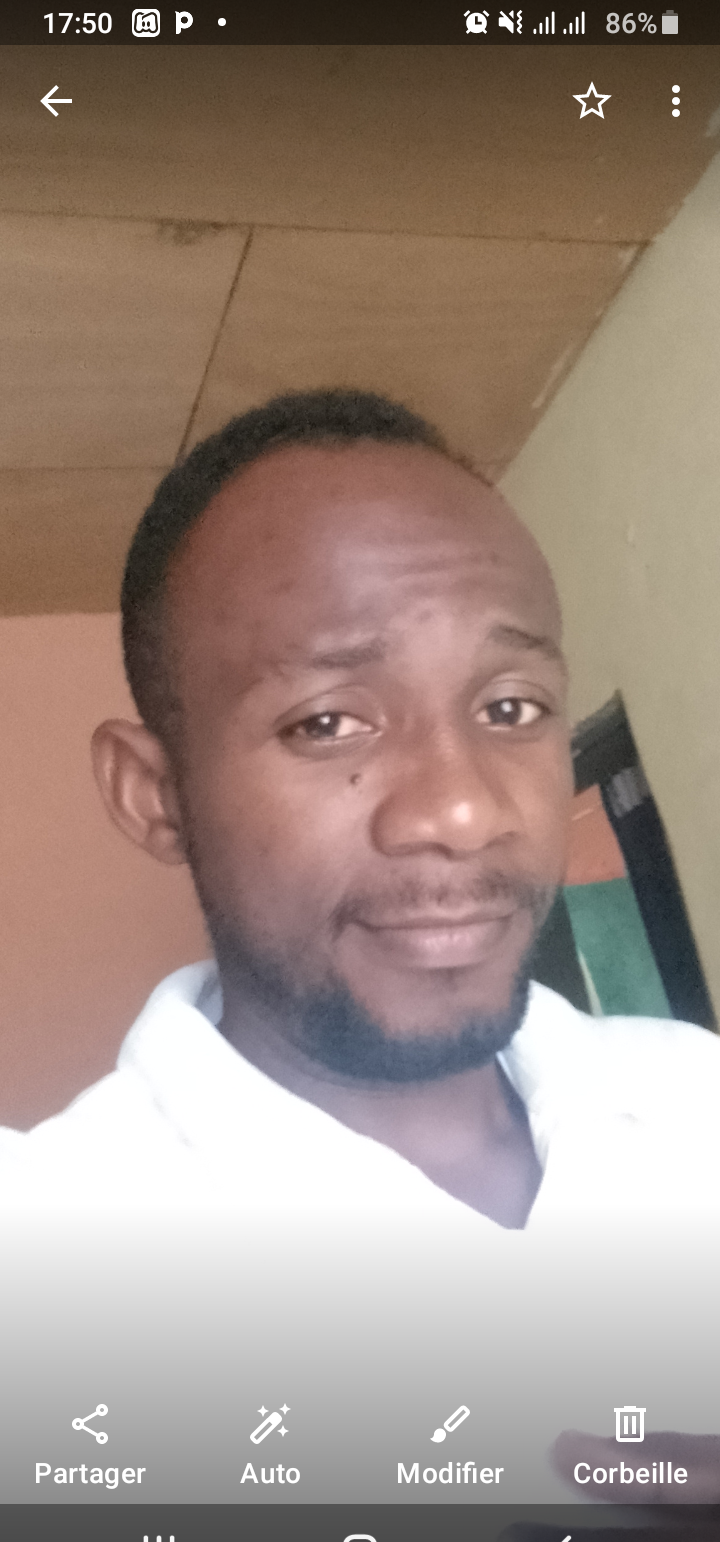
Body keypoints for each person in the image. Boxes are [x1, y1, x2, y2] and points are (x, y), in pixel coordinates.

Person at [2, 387, 720, 1229]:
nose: (464, 812)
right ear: (154, 796)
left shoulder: (692, 1093)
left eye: (510, 708)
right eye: (327, 724)